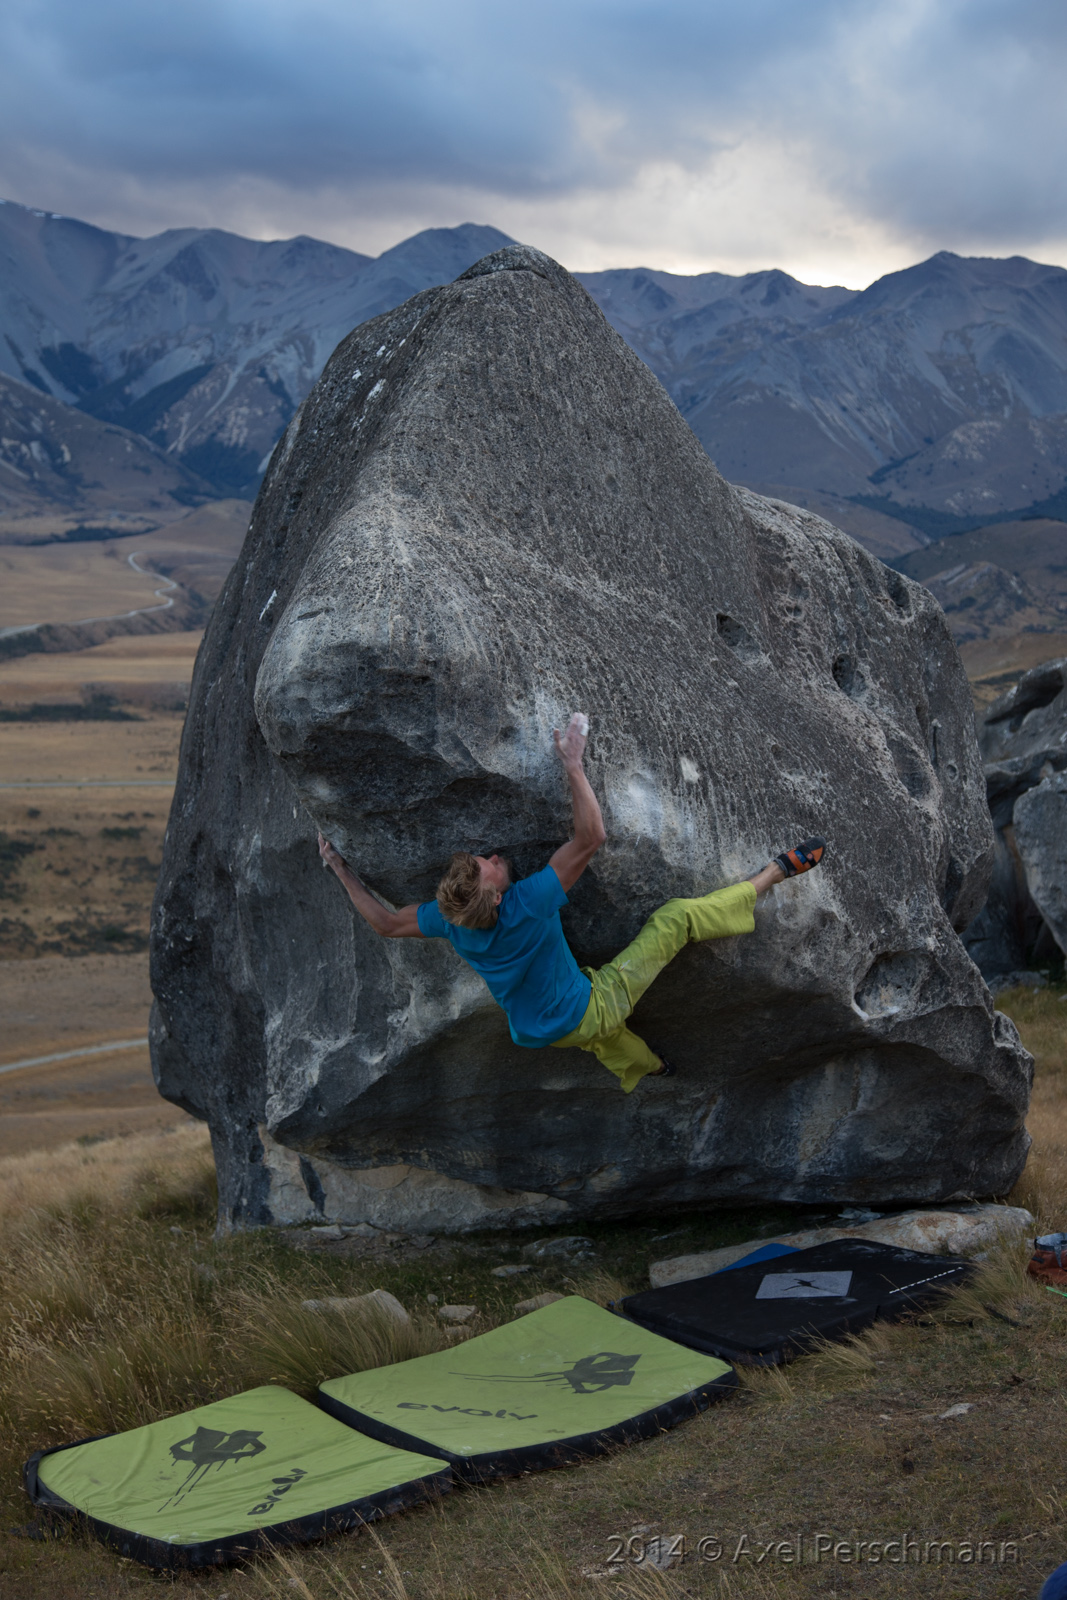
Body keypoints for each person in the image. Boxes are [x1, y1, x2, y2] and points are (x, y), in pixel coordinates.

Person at [317, 712, 825, 1093]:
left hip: (543, 1031)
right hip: (590, 1004)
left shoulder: (451, 922)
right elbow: (591, 837)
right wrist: (573, 764)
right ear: (497, 895)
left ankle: (654, 1068)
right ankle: (770, 876)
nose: (492, 855)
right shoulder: (529, 902)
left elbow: (384, 922)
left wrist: (340, 868)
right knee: (675, 919)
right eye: (487, 864)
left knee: (605, 1041)